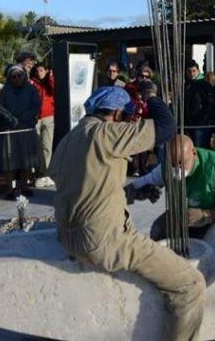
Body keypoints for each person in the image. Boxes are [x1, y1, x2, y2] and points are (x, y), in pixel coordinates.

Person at [49, 86, 205, 341]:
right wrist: (151, 95)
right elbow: (166, 128)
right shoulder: (107, 134)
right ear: (118, 113)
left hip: (69, 236)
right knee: (191, 284)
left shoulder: (69, 139)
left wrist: (133, 193)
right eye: (129, 116)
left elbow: (87, 186)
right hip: (103, 241)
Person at [129, 134, 215, 240]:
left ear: (193, 153)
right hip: (183, 216)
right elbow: (144, 182)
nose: (177, 169)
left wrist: (206, 215)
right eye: (173, 164)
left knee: (210, 242)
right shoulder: (165, 167)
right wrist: (125, 192)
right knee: (158, 229)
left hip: (214, 220)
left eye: (181, 163)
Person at [0, 64, 41, 198]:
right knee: (9, 160)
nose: (16, 79)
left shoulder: (31, 89)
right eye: (13, 76)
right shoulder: (5, 90)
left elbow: (36, 106)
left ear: (24, 76)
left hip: (26, 127)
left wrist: (23, 117)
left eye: (19, 75)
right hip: (10, 129)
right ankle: (9, 189)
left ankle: (24, 186)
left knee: (26, 159)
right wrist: (10, 118)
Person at [185, 60, 215, 149]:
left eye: (194, 71)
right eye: (189, 71)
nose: (191, 73)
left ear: (198, 71)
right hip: (190, 124)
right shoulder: (188, 85)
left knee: (200, 149)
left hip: (201, 124)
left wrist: (204, 120)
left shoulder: (204, 85)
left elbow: (210, 104)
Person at [31, 63, 55, 182]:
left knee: (47, 145)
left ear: (46, 71)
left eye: (41, 70)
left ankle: (46, 173)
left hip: (49, 117)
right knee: (36, 146)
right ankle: (36, 172)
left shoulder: (49, 82)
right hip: (36, 118)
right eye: (37, 71)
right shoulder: (32, 82)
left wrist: (50, 76)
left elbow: (55, 89)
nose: (39, 73)